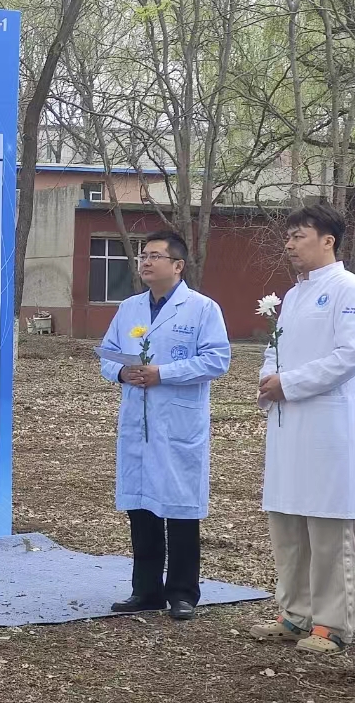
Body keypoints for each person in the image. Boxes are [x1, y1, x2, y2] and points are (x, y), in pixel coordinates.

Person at [251, 203, 355, 654]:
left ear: (328, 240)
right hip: (288, 424)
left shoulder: (348, 289)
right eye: (288, 236)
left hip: (327, 427)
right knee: (288, 523)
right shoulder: (294, 295)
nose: (289, 244)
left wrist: (291, 383)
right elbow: (275, 350)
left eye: (298, 235)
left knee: (327, 528)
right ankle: (294, 613)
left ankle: (331, 623)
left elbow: (351, 356)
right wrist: (269, 380)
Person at [99, 230, 231, 621]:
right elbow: (107, 354)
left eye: (155, 255)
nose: (145, 261)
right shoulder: (129, 308)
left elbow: (217, 360)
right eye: (143, 255)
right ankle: (146, 590)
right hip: (138, 419)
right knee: (141, 507)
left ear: (177, 265)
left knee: (180, 508)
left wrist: (164, 373)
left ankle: (183, 593)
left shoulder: (202, 309)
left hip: (178, 422)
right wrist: (122, 372)